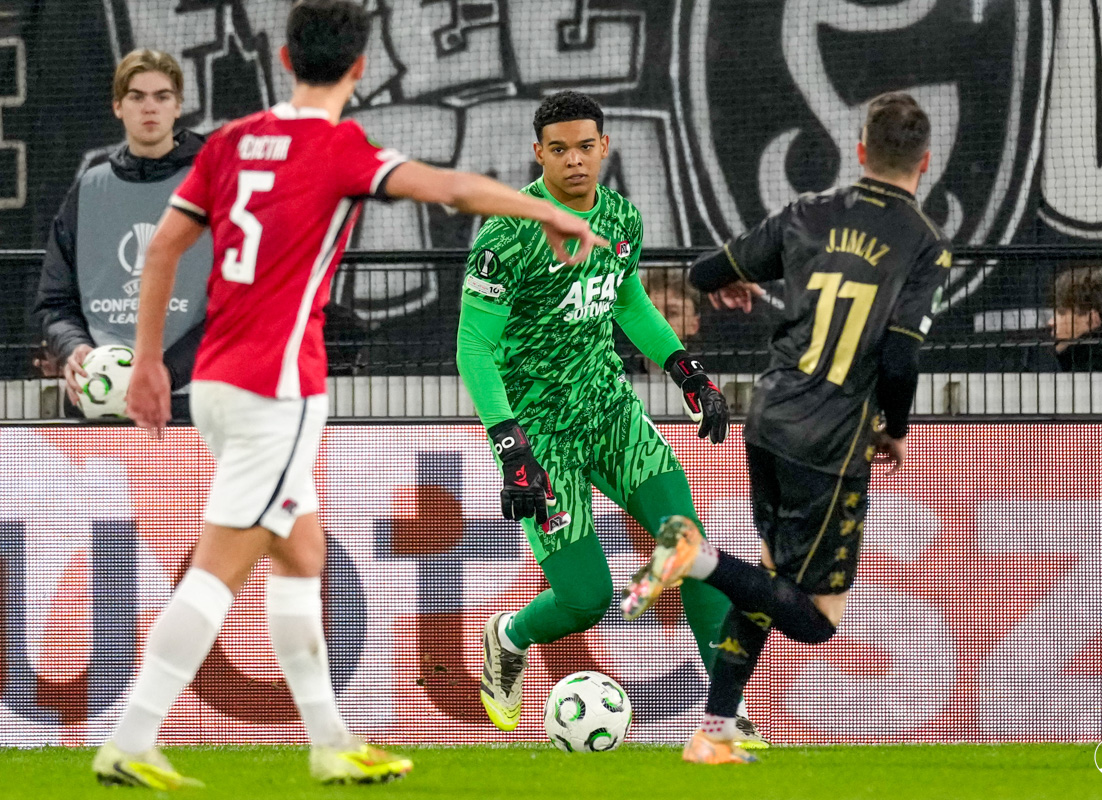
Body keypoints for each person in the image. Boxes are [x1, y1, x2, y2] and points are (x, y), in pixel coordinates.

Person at [95, 1, 605, 788]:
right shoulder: (337, 147)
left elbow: (163, 246)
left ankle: (330, 742)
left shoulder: (230, 141)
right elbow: (451, 189)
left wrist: (147, 365)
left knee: (301, 556)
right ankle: (131, 737)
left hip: (217, 382)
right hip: (276, 392)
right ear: (362, 67)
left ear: (283, 56)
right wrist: (546, 210)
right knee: (219, 570)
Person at [621, 92, 951, 764]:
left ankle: (714, 729)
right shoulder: (923, 242)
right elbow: (900, 355)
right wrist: (896, 428)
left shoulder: (808, 211)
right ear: (926, 162)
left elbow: (705, 273)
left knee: (769, 583)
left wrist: (738, 281)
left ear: (860, 150)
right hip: (829, 439)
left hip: (769, 418)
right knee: (818, 620)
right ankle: (696, 559)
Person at [457, 90, 768, 747]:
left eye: (585, 146)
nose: (574, 160)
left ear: (604, 146)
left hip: (610, 412)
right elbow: (473, 347)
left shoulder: (621, 217)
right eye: (559, 149)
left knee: (688, 548)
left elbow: (627, 302)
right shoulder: (508, 233)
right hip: (539, 433)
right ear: (538, 154)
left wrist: (686, 370)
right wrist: (510, 444)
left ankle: (726, 718)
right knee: (585, 599)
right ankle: (509, 636)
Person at [32, 49, 209, 419]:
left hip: (189, 402)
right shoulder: (88, 189)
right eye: (137, 96)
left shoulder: (212, 187)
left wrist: (167, 371)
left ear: (178, 107)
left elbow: (236, 309)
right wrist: (74, 348)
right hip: (95, 398)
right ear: (118, 107)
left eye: (162, 96)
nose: (150, 107)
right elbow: (55, 302)